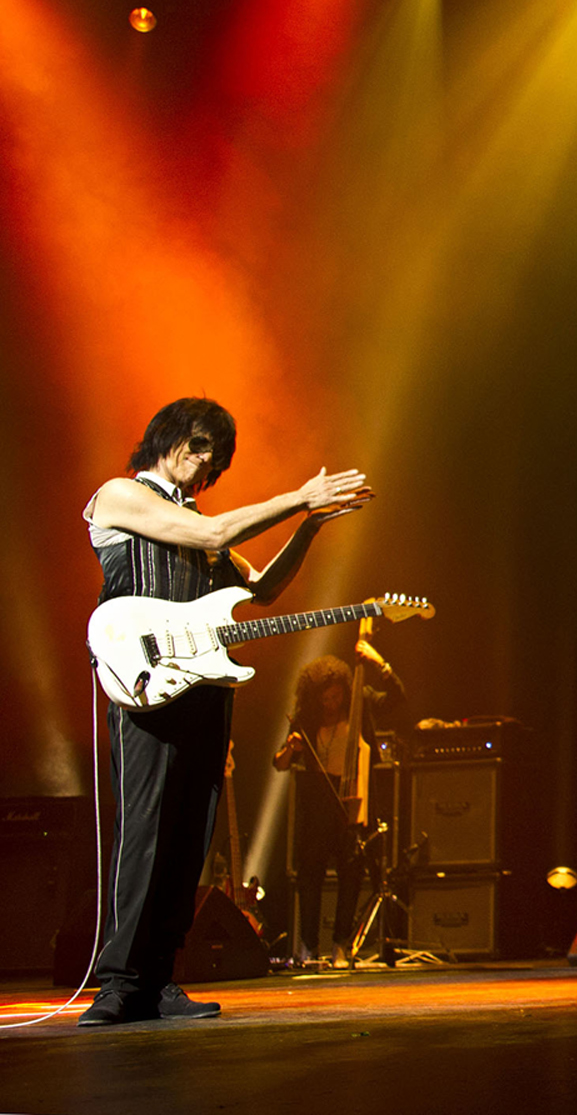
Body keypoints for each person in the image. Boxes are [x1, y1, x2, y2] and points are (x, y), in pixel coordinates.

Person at [79, 398, 370, 1026]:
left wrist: (310, 526)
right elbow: (213, 534)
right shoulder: (120, 497)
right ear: (168, 436)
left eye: (215, 454)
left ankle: (159, 980)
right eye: (200, 442)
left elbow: (261, 588)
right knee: (148, 830)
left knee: (190, 839)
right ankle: (118, 983)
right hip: (144, 684)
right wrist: (298, 495)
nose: (205, 459)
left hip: (205, 692)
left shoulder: (205, 530)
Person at [274, 642, 406, 966]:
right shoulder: (306, 718)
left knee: (351, 874)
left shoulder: (361, 703)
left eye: (336, 696)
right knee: (311, 875)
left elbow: (398, 698)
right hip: (319, 799)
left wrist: (378, 661)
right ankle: (307, 945)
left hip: (353, 798)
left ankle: (341, 944)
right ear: (315, 696)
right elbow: (279, 763)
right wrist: (292, 748)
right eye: (325, 698)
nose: (331, 704)